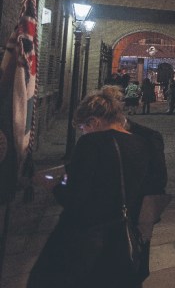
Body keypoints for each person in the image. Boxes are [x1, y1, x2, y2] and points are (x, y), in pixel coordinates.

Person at [28, 90, 151, 288]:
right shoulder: (140, 143)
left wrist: (54, 185)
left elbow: (75, 199)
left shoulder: (90, 143)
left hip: (86, 237)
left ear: (94, 122)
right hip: (120, 233)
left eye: (84, 127)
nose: (83, 132)